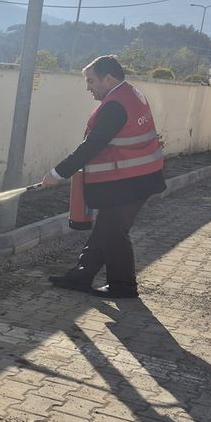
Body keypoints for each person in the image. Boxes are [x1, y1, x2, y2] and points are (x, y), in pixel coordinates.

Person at [40, 55, 166, 299]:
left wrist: (57, 173)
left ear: (108, 79)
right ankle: (82, 275)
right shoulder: (131, 94)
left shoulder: (115, 105)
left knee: (114, 233)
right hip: (139, 177)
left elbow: (93, 144)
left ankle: (123, 286)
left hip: (130, 181)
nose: (88, 87)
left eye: (91, 81)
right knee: (107, 229)